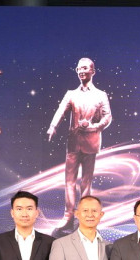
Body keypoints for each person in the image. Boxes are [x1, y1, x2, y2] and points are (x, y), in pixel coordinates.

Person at [47, 57, 112, 235]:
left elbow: (107, 116)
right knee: (69, 181)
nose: (81, 71)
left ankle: (83, 217)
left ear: (93, 71)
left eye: (85, 68)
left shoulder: (101, 95)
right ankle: (68, 216)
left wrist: (95, 126)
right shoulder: (71, 94)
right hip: (73, 143)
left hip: (91, 142)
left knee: (86, 182)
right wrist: (53, 126)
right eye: (79, 69)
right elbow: (60, 110)